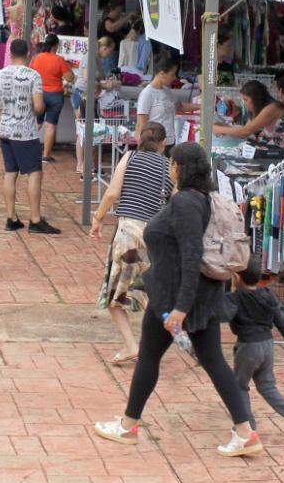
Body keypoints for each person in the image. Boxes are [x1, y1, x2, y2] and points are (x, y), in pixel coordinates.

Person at [93, 142, 263, 457]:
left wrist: (180, 308)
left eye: (172, 164)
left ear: (177, 168)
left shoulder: (186, 203)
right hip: (195, 296)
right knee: (211, 362)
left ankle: (129, 425)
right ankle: (244, 432)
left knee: (151, 358)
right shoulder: (199, 199)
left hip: (176, 298)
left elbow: (191, 254)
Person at [91, 123, 171, 364]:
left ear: (139, 139)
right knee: (153, 296)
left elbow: (112, 193)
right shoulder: (169, 167)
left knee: (115, 295)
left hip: (128, 232)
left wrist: (98, 218)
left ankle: (130, 345)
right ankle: (164, 342)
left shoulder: (129, 157)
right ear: (163, 143)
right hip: (155, 236)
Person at [228, 254, 284, 439]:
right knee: (267, 386)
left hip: (248, 347)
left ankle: (247, 427)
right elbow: (279, 317)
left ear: (237, 278)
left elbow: (224, 316)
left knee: (239, 386)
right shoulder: (268, 294)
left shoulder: (235, 298)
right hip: (268, 345)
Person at [0, 39, 58, 234]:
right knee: (34, 172)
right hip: (25, 132)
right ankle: (35, 219)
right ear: (28, 53)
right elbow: (37, 107)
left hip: (5, 130)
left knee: (10, 173)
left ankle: (11, 217)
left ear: (10, 53)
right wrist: (37, 108)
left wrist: (7, 111)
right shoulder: (33, 76)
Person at [28, 35, 74, 162]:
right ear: (56, 46)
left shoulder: (36, 58)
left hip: (38, 93)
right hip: (55, 95)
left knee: (36, 123)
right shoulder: (59, 60)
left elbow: (31, 74)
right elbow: (70, 78)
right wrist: (68, 67)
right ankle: (46, 155)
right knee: (50, 125)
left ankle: (27, 149)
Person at [213, 81, 284, 140]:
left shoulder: (273, 108)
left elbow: (246, 132)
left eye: (246, 100)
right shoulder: (257, 111)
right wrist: (224, 127)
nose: (244, 103)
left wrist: (217, 128)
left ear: (256, 98)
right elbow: (244, 129)